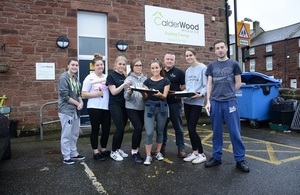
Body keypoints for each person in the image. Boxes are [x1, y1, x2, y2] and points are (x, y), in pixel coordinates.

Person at [204, 39, 250, 173]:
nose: (220, 50)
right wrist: (208, 101)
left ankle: (240, 159)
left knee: (235, 132)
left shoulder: (234, 64)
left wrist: (229, 93)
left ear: (226, 49)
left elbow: (238, 83)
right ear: (215, 50)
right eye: (217, 48)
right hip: (215, 102)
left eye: (222, 47)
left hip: (230, 102)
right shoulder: (212, 65)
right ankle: (217, 157)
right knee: (216, 132)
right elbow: (209, 84)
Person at [81, 53, 111, 161]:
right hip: (94, 107)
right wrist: (96, 94)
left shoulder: (107, 77)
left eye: (101, 65)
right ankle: (95, 152)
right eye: (98, 65)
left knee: (106, 129)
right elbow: (83, 94)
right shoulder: (89, 78)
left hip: (106, 107)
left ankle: (103, 149)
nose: (100, 67)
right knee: (95, 129)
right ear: (94, 66)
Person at [182, 48, 207, 164]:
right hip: (188, 101)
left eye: (190, 55)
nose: (188, 57)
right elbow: (188, 87)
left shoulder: (202, 68)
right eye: (187, 56)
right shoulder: (187, 71)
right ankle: (194, 152)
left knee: (192, 127)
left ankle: (202, 154)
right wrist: (182, 93)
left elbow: (205, 85)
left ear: (195, 55)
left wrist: (200, 94)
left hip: (197, 102)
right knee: (189, 128)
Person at [143, 59, 170, 165]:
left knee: (160, 131)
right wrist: (142, 92)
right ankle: (148, 155)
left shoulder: (166, 81)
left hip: (162, 108)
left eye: (156, 68)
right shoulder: (147, 82)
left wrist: (159, 94)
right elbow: (145, 97)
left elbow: (164, 96)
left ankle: (158, 152)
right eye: (152, 68)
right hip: (149, 108)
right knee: (149, 132)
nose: (155, 70)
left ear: (160, 68)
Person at [58, 58, 85, 165]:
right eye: (72, 65)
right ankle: (66, 156)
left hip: (75, 111)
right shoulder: (64, 78)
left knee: (74, 133)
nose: (75, 67)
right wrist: (77, 104)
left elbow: (78, 93)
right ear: (68, 65)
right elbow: (64, 96)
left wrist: (81, 102)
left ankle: (73, 153)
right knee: (66, 134)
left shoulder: (75, 78)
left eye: (76, 65)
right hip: (66, 110)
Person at [106, 56, 131, 161]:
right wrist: (124, 84)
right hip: (115, 104)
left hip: (124, 104)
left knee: (123, 127)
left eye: (123, 64)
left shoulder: (125, 75)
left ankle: (118, 148)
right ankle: (113, 151)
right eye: (120, 64)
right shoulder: (111, 76)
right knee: (119, 127)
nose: (121, 66)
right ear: (115, 64)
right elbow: (114, 92)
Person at [162, 52, 186, 158]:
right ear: (164, 60)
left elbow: (184, 86)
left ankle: (181, 148)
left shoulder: (179, 72)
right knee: (162, 128)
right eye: (167, 59)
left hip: (175, 104)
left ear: (174, 61)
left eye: (171, 59)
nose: (169, 61)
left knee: (179, 128)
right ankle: (161, 147)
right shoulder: (160, 71)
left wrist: (181, 92)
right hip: (162, 104)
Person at [124, 58, 147, 164]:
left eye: (140, 65)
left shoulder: (145, 79)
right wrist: (129, 92)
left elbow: (146, 95)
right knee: (137, 127)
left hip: (142, 107)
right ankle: (134, 151)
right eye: (136, 65)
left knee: (140, 129)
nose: (139, 67)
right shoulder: (128, 79)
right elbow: (126, 97)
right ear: (132, 67)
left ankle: (137, 149)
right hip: (131, 107)